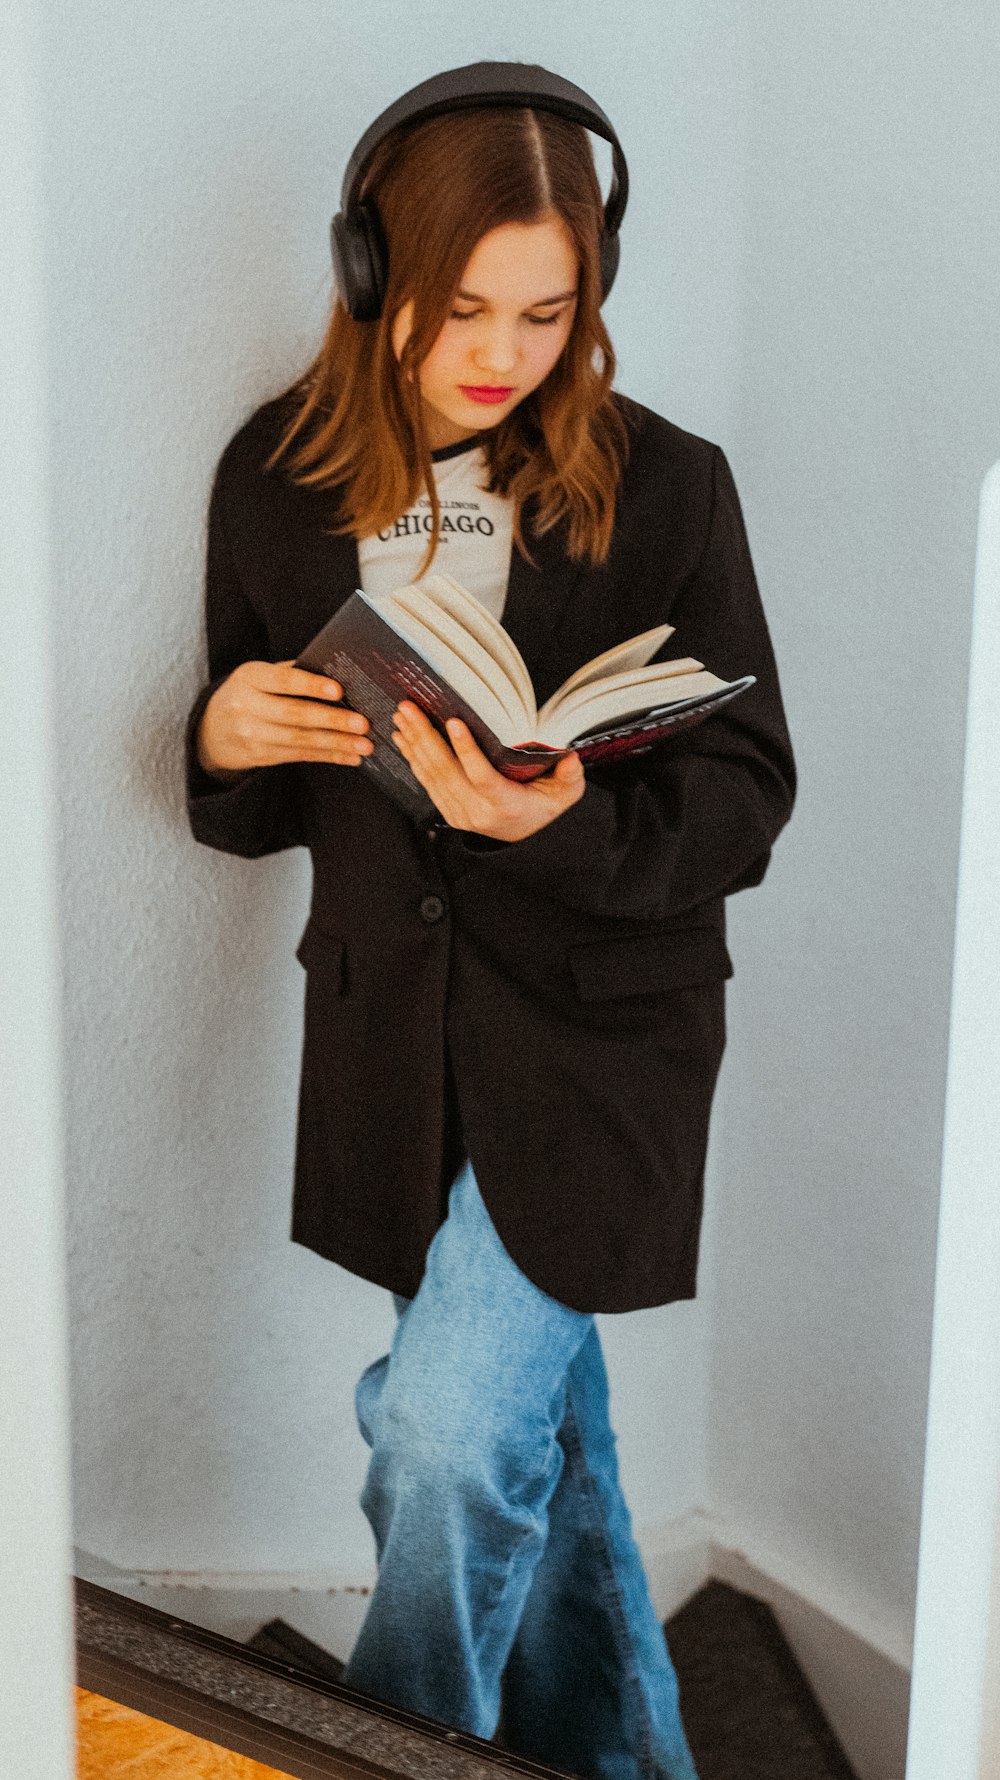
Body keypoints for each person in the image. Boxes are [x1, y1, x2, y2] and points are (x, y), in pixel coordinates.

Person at [184, 62, 796, 1780]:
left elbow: (751, 792)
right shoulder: (277, 481)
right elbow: (252, 796)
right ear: (372, 271)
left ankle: (391, 1755)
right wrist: (227, 738)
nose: (503, 351)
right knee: (539, 1435)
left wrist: (572, 815)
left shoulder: (674, 488)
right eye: (462, 305)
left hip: (607, 1036)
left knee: (445, 1434)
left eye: (549, 311)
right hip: (400, 1039)